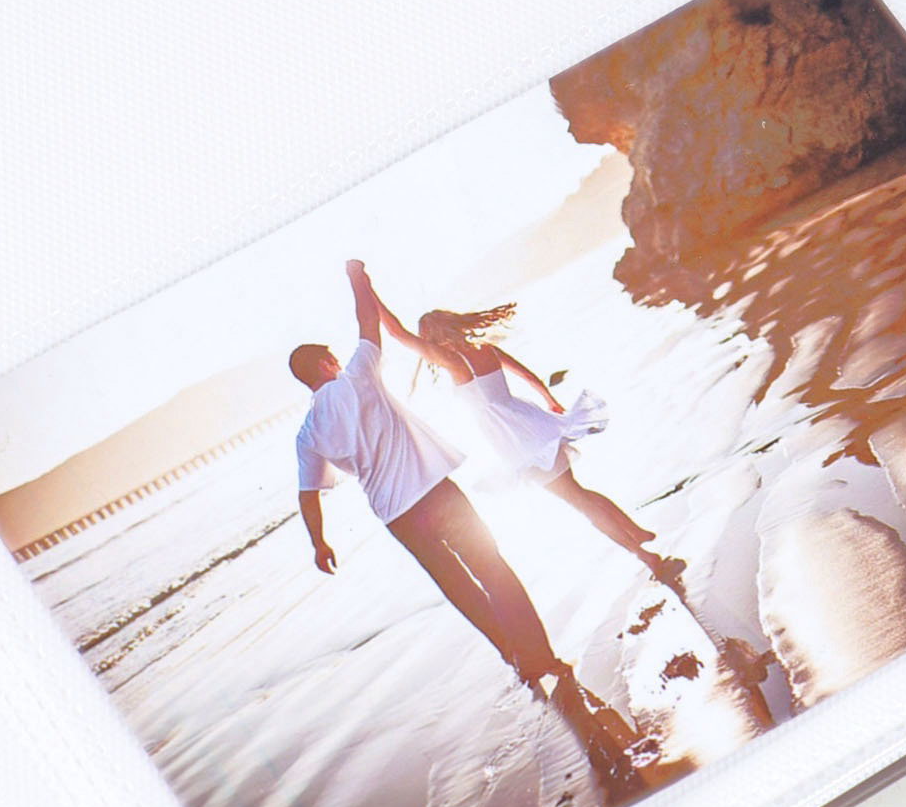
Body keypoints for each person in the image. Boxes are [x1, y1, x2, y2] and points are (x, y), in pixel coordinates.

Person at [290, 261, 572, 700]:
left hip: (398, 517)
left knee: (459, 588)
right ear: (328, 363)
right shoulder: (358, 377)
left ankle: (515, 657)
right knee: (492, 567)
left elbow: (309, 495)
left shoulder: (308, 433)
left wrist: (319, 543)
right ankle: (542, 656)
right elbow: (368, 322)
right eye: (333, 359)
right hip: (437, 494)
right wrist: (358, 279)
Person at [362, 275, 686, 591]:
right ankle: (636, 533)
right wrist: (550, 402)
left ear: (432, 337)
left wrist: (367, 290)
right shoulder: (486, 349)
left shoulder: (450, 359)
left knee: (578, 501)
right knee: (578, 492)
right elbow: (529, 376)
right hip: (533, 426)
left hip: (518, 444)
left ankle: (648, 557)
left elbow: (396, 332)